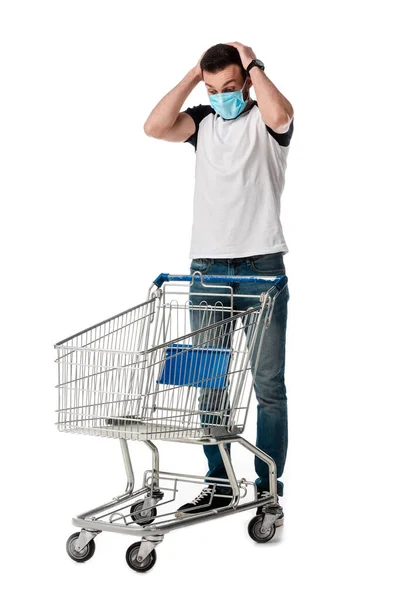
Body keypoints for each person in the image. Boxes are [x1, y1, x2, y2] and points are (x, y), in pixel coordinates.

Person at [143, 42, 294, 527]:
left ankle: (268, 490)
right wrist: (193, 76)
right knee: (209, 382)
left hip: (262, 270)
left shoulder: (265, 125)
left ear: (246, 81)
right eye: (214, 89)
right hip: (207, 270)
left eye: (230, 88)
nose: (221, 96)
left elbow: (282, 112)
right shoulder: (203, 123)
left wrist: (253, 63)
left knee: (268, 386)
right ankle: (219, 484)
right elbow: (154, 126)